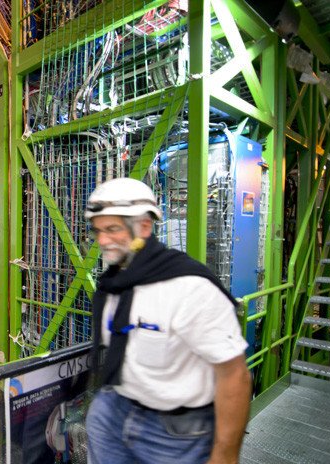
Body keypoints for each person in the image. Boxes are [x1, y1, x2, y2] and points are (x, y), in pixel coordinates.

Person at [83, 178, 251, 464]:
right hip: (113, 410)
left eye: (112, 229)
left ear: (144, 227)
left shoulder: (190, 288)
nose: (102, 241)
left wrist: (225, 455)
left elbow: (235, 375)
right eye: (98, 230)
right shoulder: (114, 285)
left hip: (175, 434)